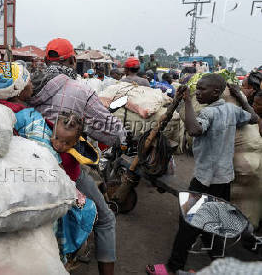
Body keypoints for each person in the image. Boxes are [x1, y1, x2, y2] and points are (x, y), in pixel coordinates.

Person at [30, 38, 126, 275]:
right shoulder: (80, 89)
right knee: (106, 219)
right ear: (73, 61)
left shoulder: (28, 85)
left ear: (45, 61)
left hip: (28, 164)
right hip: (64, 168)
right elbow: (112, 132)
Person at [147, 74, 259, 275]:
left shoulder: (208, 114)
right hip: (224, 179)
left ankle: (173, 267)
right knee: (215, 224)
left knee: (188, 224)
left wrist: (188, 101)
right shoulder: (232, 110)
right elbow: (253, 117)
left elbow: (194, 130)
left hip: (205, 180)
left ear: (216, 92)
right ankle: (217, 263)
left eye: (202, 89)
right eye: (196, 89)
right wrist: (242, 99)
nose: (198, 92)